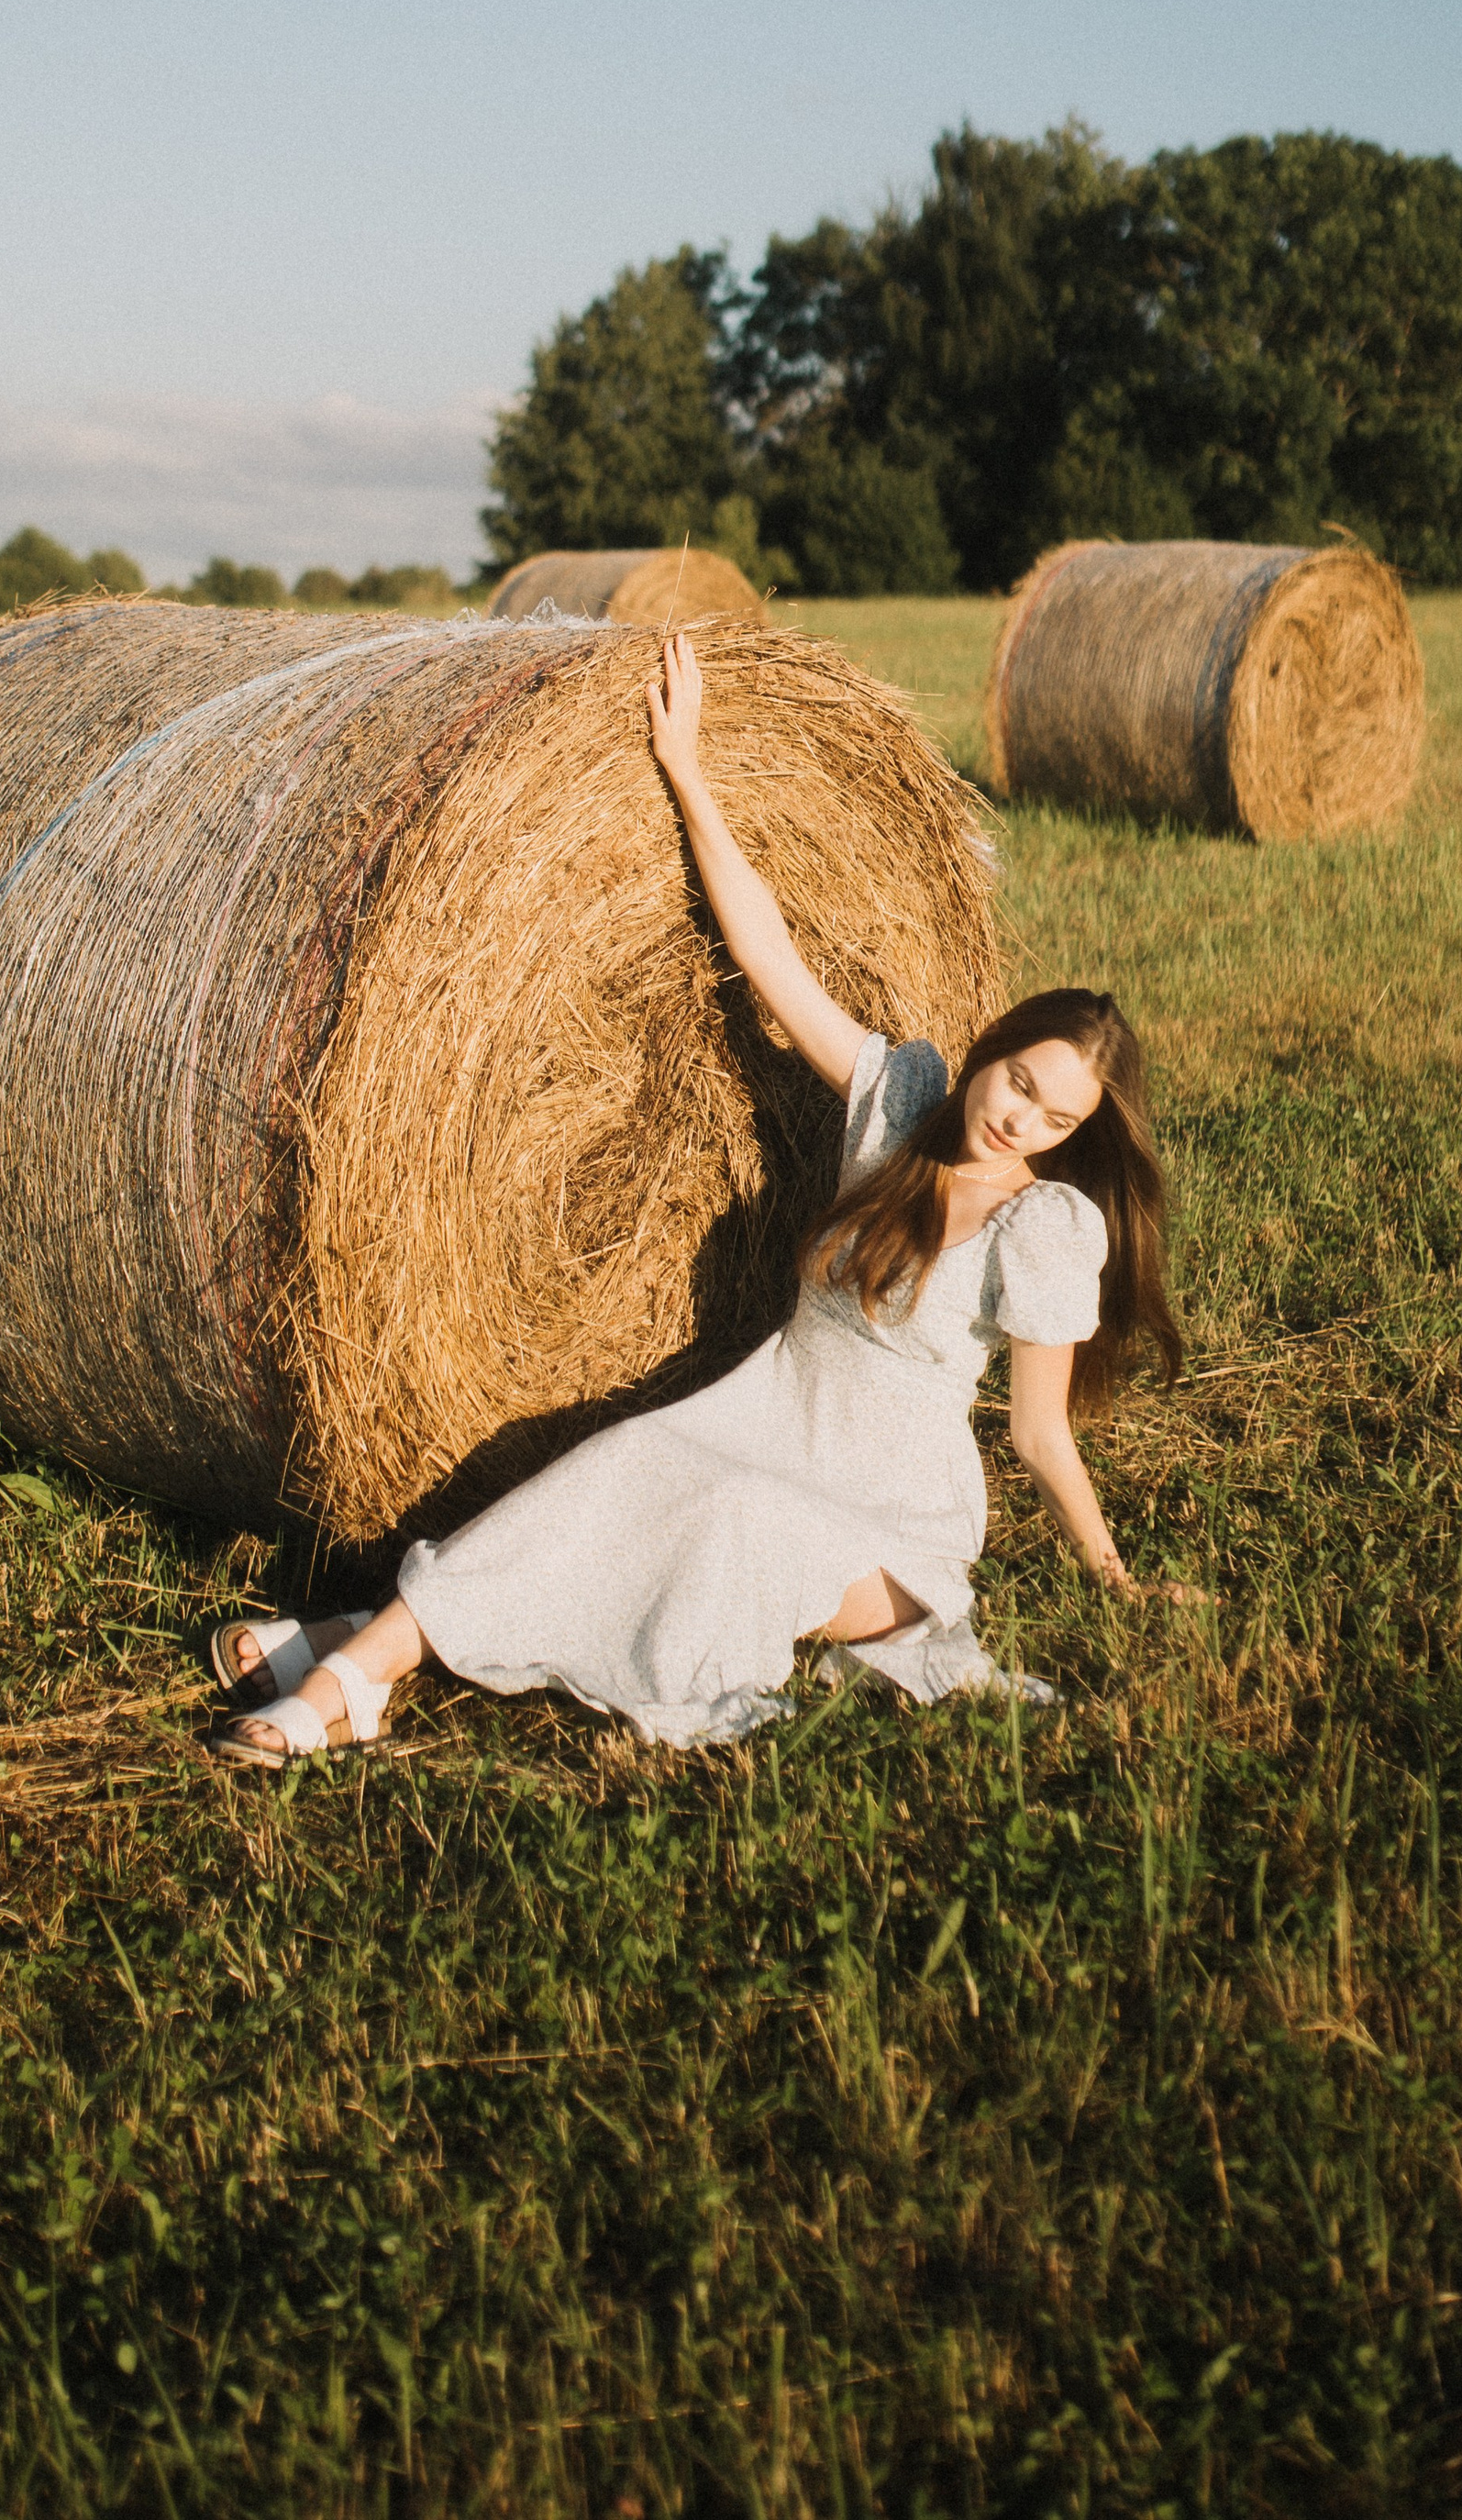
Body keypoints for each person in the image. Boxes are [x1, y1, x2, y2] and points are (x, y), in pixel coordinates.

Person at [207, 628, 1183, 1766]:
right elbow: (768, 958)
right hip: (758, 1429)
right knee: (618, 1470)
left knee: (720, 1521)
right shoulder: (897, 1108)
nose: (1020, 1120)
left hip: (888, 1535)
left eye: (1055, 1118)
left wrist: (1115, 1581)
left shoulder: (1046, 1225)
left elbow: (1038, 1435)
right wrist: (687, 772)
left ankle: (342, 1659)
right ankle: (352, 1671)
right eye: (1018, 1083)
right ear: (990, 1049)